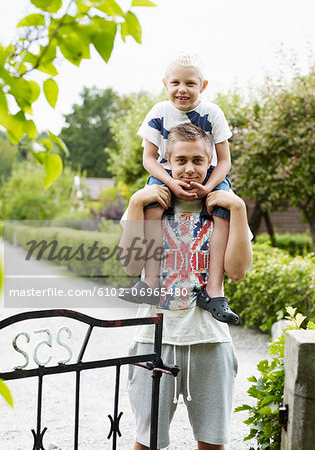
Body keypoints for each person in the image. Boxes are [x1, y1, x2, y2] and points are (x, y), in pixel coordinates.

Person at [119, 124, 252, 450]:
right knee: (146, 442)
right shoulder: (149, 204)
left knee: (212, 443)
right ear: (167, 161)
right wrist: (136, 202)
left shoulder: (223, 209)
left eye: (197, 160)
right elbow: (131, 265)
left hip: (210, 341)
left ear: (211, 162)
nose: (189, 168)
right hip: (153, 339)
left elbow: (237, 271)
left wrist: (239, 207)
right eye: (181, 160)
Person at [123, 52, 239, 324]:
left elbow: (224, 161)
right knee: (152, 205)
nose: (182, 89)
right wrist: (170, 182)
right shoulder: (159, 112)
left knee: (223, 210)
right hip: (167, 171)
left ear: (203, 86)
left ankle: (214, 292)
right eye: (175, 83)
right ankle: (150, 283)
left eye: (190, 83)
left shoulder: (213, 113)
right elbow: (149, 159)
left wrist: (209, 188)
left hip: (206, 172)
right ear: (165, 84)